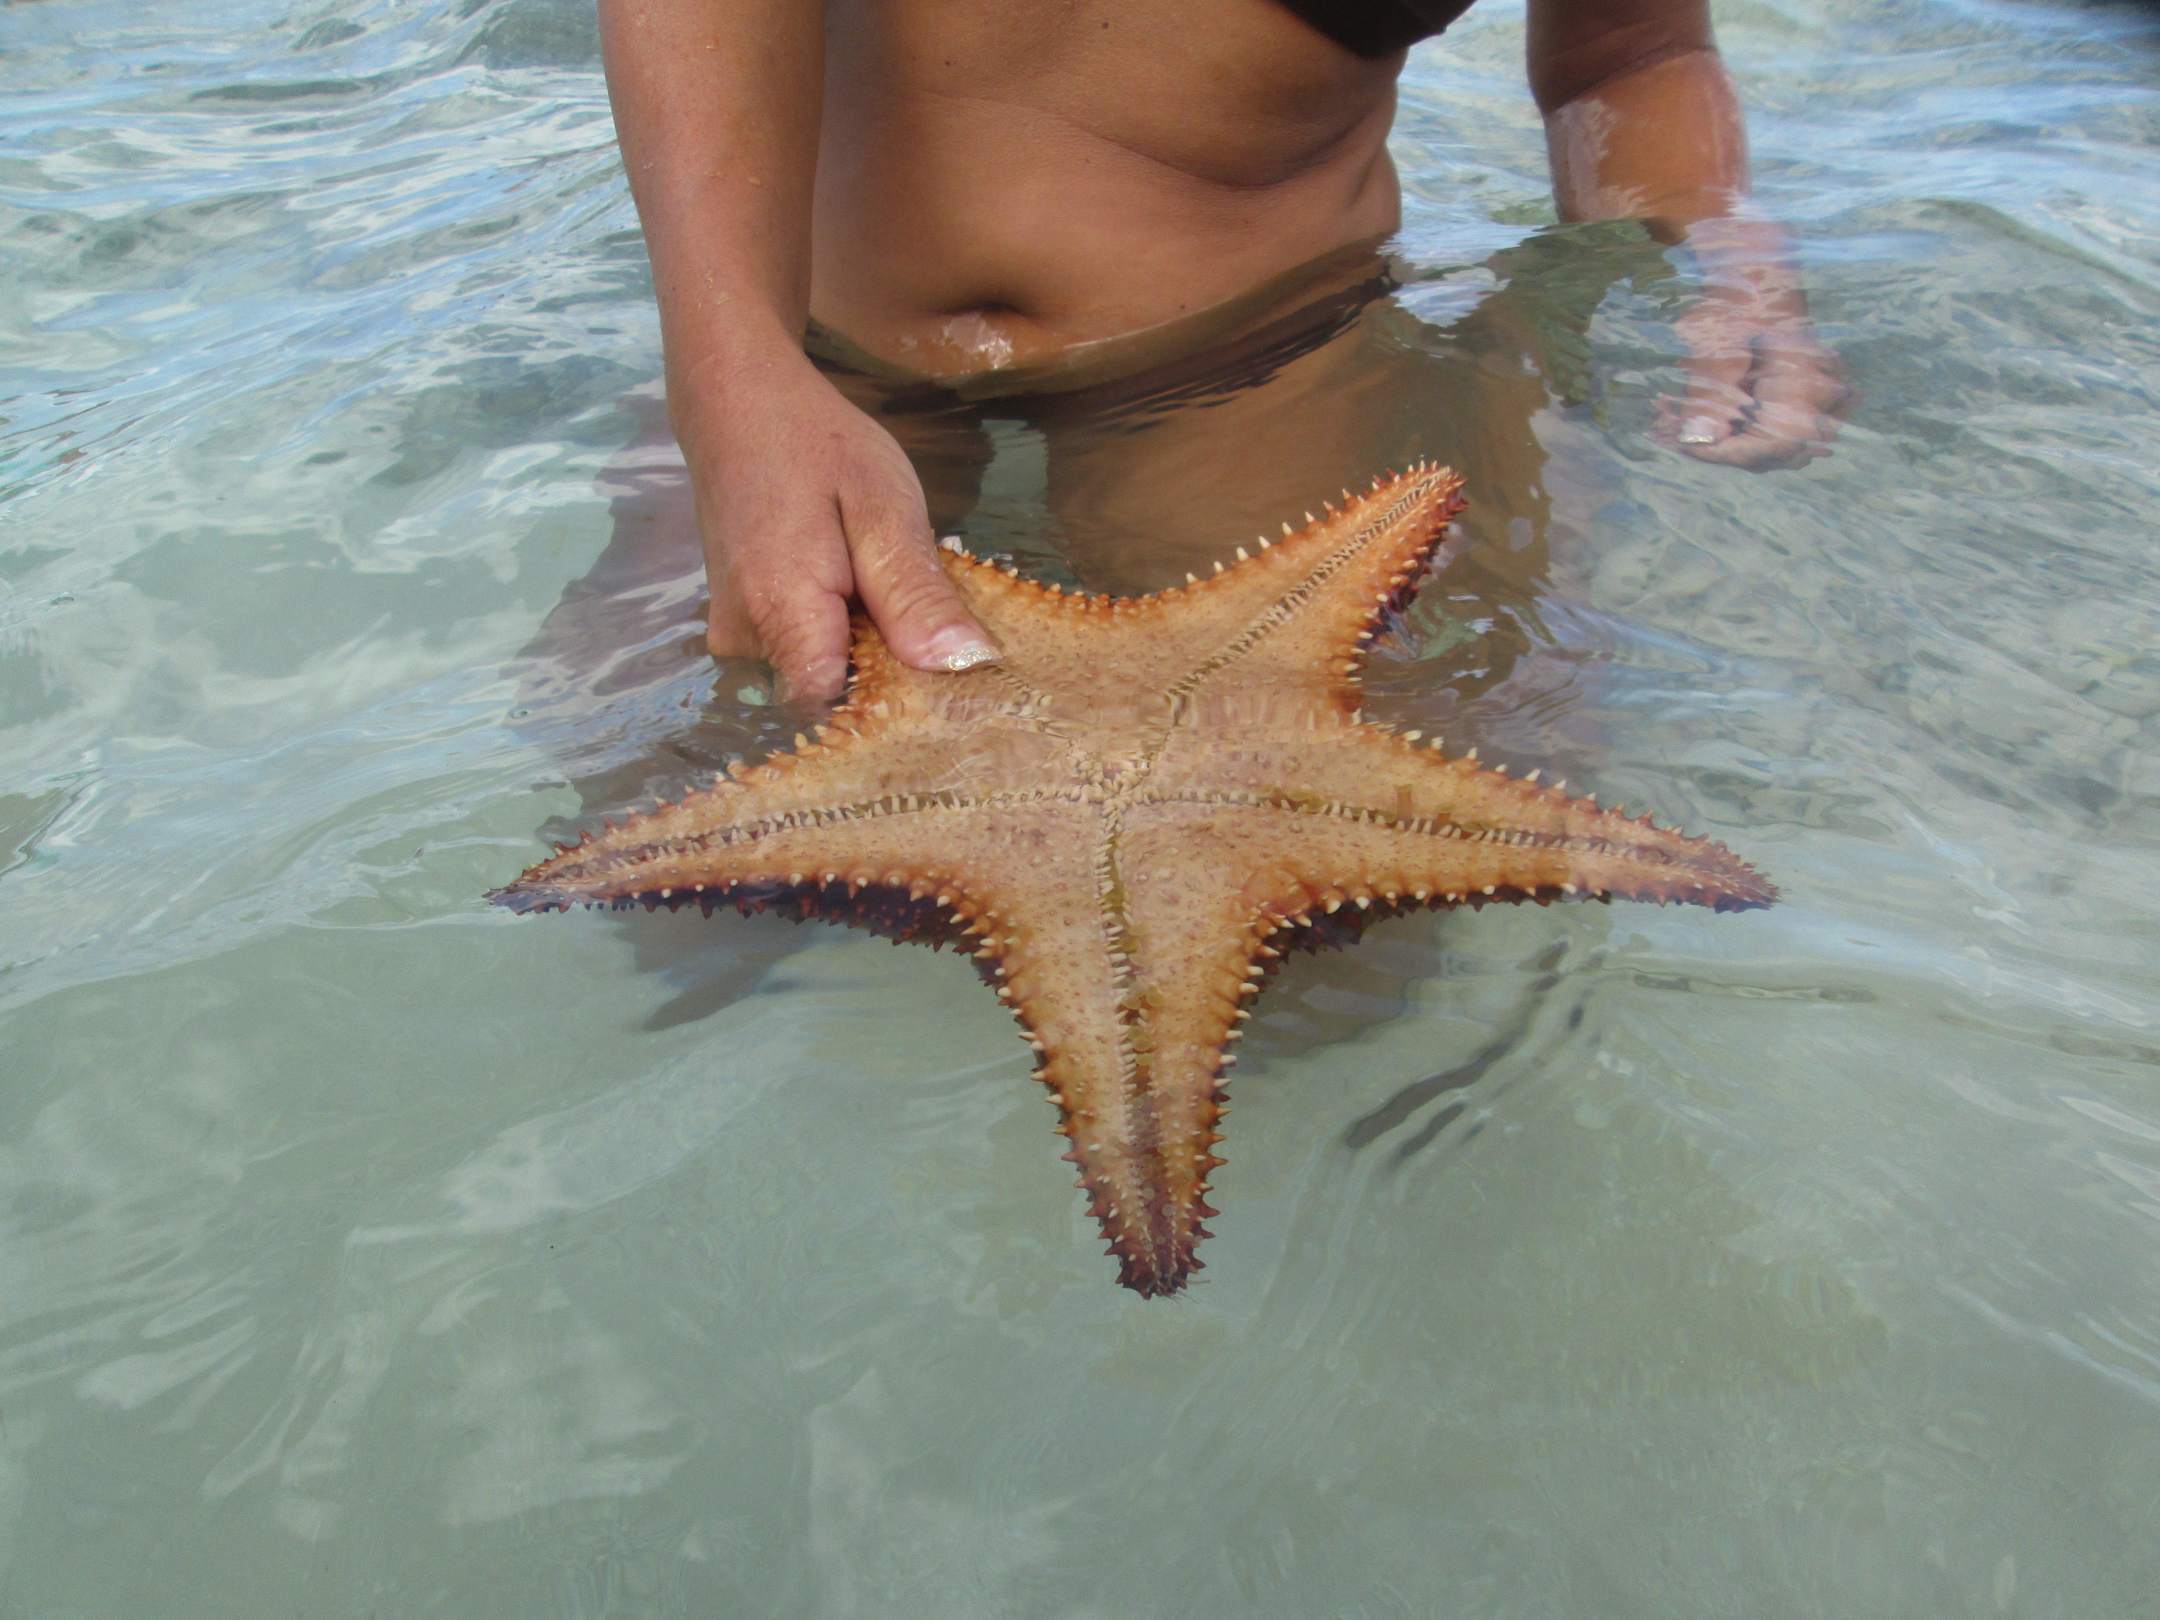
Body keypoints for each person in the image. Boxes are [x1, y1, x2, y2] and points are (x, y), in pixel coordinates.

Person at [595, 0, 1845, 706]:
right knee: (655, 862)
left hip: (1262, 356)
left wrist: (1722, 251)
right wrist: (733, 378)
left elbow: (1631, 54)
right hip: (799, 344)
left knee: (1338, 950)